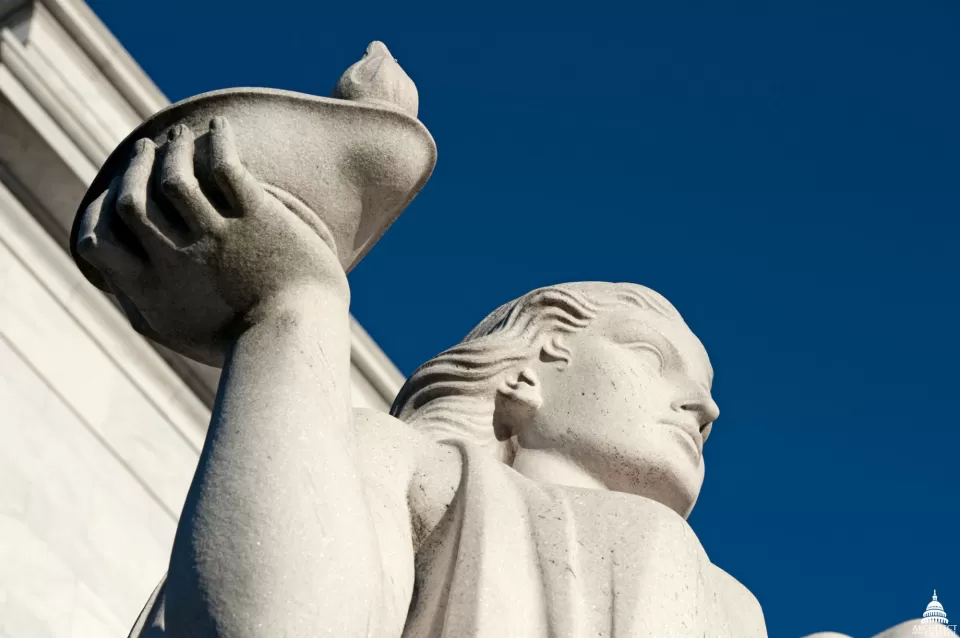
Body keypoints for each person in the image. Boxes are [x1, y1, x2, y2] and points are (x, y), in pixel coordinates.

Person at [77, 112, 770, 636]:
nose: (702, 408)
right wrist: (295, 311)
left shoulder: (735, 608)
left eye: (705, 392)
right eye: (652, 359)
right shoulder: (405, 464)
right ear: (526, 373)